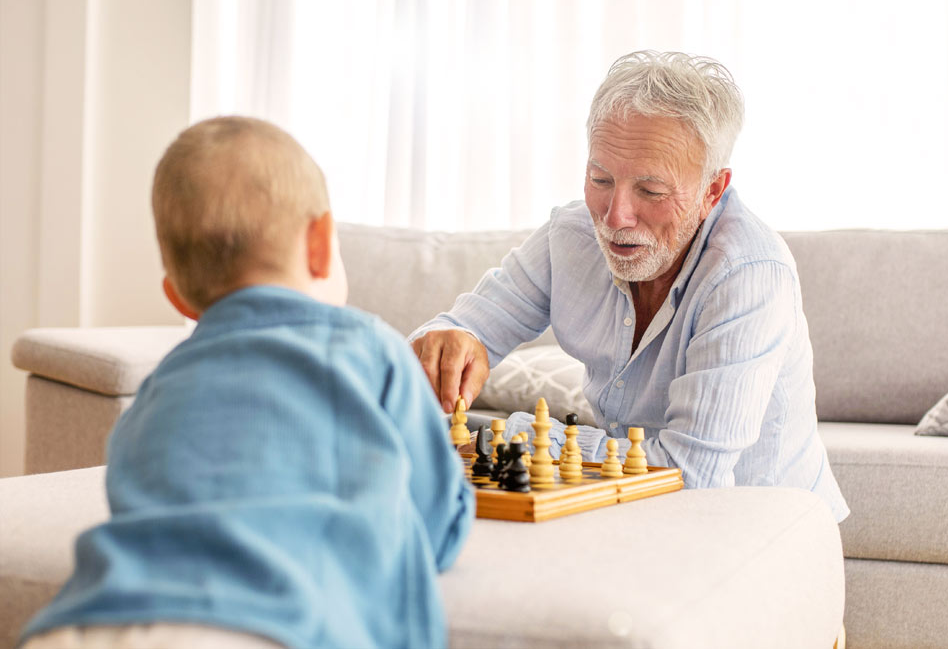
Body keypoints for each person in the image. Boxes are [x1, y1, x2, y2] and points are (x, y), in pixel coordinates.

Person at [20, 116, 474, 649]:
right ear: (322, 244)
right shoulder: (371, 349)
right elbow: (436, 524)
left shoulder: (157, 389)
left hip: (95, 622)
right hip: (282, 626)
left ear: (178, 298)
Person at [410, 50, 849, 522]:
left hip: (761, 531)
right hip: (631, 509)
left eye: (651, 191)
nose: (614, 217)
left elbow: (690, 476)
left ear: (712, 191)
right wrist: (450, 342)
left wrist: (518, 434)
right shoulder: (571, 236)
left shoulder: (749, 273)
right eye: (600, 179)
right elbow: (467, 327)